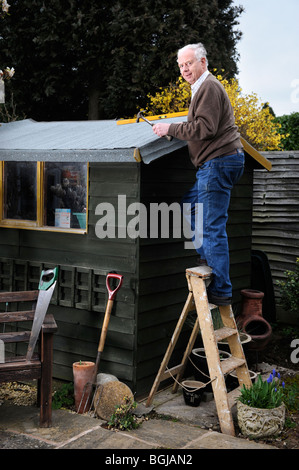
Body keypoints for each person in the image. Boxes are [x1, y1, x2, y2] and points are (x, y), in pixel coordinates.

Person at [152, 43, 244, 306]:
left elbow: (205, 127)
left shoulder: (209, 87)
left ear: (202, 62)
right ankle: (206, 256)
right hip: (218, 163)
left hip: (218, 162)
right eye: (181, 65)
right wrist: (175, 129)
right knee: (190, 206)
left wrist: (171, 128)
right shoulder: (201, 88)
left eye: (189, 63)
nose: (184, 69)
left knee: (213, 226)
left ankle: (222, 291)